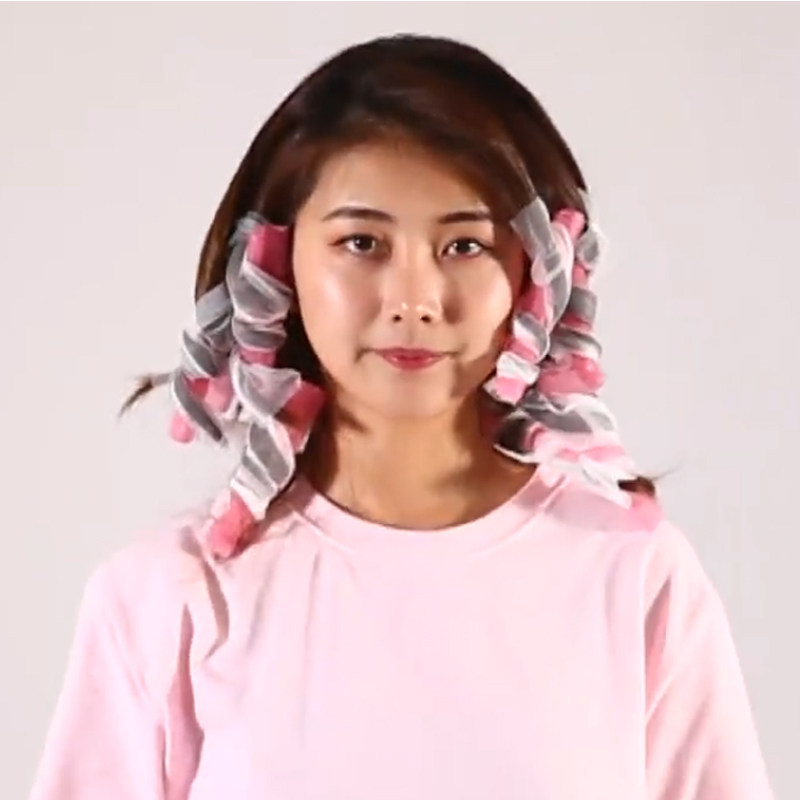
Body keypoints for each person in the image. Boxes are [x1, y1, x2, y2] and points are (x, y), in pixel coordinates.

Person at [29, 34, 773, 800]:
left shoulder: (636, 576)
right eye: (362, 242)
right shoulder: (168, 599)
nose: (414, 299)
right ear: (275, 262)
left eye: (464, 244)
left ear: (541, 268)